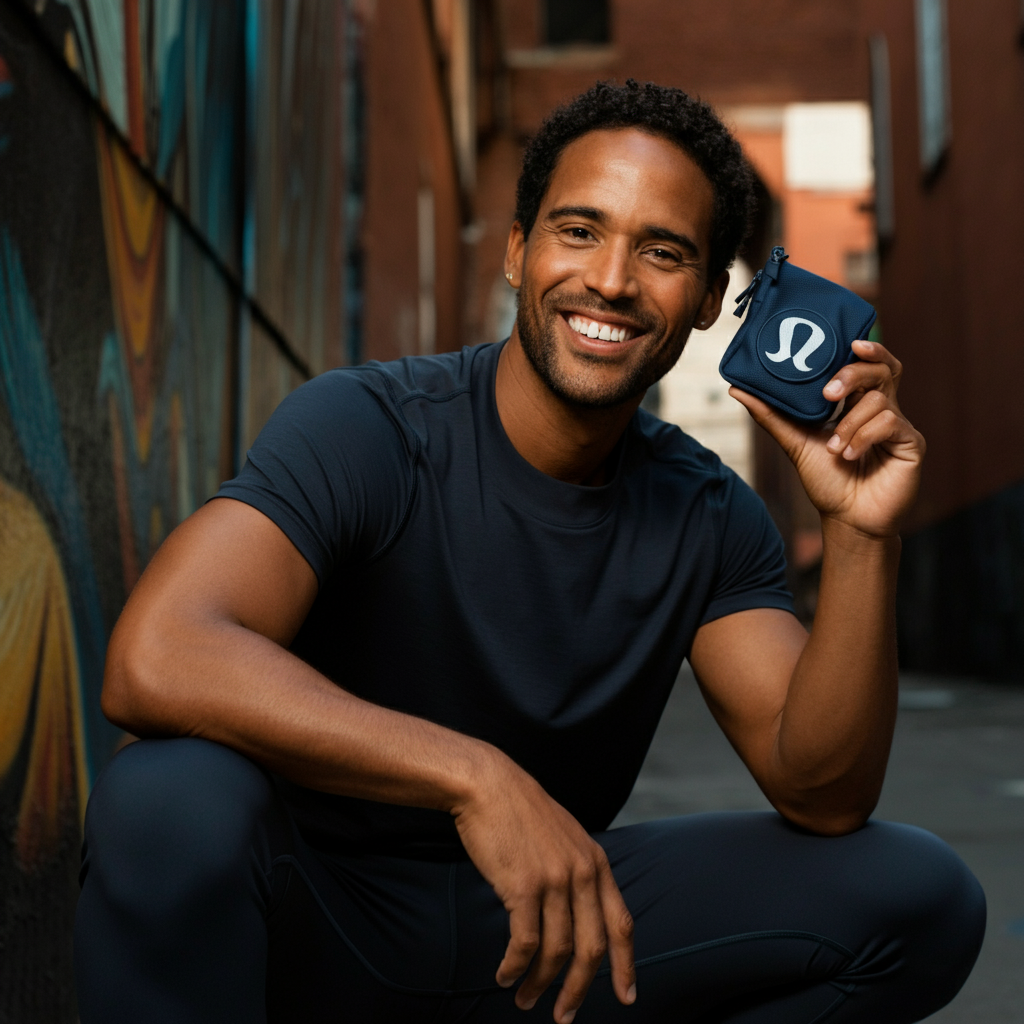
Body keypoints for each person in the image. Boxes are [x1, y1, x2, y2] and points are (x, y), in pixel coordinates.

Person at [74, 81, 984, 1024]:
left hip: (551, 944)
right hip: (316, 925)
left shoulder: (710, 515)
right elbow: (159, 654)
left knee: (916, 898)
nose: (612, 281)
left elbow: (823, 794)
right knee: (166, 801)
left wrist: (861, 533)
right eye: (579, 231)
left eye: (663, 251)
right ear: (519, 250)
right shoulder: (371, 427)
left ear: (712, 299)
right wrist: (475, 777)